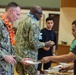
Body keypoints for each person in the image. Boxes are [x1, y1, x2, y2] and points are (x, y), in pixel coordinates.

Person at [14, 5, 54, 75]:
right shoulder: (34, 24)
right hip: (29, 57)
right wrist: (45, 44)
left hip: (19, 55)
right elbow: (33, 43)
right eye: (40, 13)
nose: (41, 16)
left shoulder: (22, 21)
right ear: (34, 12)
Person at [0, 2, 31, 75]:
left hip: (8, 69)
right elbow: (5, 54)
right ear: (10, 11)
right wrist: (3, 56)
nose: (18, 17)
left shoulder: (8, 27)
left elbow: (9, 51)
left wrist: (21, 59)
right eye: (17, 14)